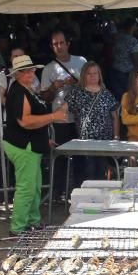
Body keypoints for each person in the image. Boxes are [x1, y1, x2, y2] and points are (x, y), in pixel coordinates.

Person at [4, 55, 66, 233]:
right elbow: (25, 121)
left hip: (31, 145)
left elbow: (30, 122)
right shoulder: (18, 92)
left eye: (31, 69)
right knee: (27, 188)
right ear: (17, 74)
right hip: (24, 146)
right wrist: (53, 116)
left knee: (34, 186)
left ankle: (33, 221)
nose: (30, 73)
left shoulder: (26, 89)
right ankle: (17, 228)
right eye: (25, 71)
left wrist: (43, 138)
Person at [40, 30, 87, 199]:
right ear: (52, 47)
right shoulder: (48, 69)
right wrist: (54, 87)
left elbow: (93, 86)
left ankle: (80, 191)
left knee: (81, 158)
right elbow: (45, 97)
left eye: (61, 43)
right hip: (60, 120)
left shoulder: (81, 61)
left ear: (68, 43)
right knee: (60, 158)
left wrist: (77, 83)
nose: (58, 46)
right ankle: (57, 192)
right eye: (55, 44)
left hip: (82, 119)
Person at [108, 17, 138, 99]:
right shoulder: (133, 41)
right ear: (133, 27)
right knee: (129, 97)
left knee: (117, 97)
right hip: (127, 72)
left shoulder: (118, 38)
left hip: (115, 70)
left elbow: (112, 53)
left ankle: (118, 111)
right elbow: (135, 58)